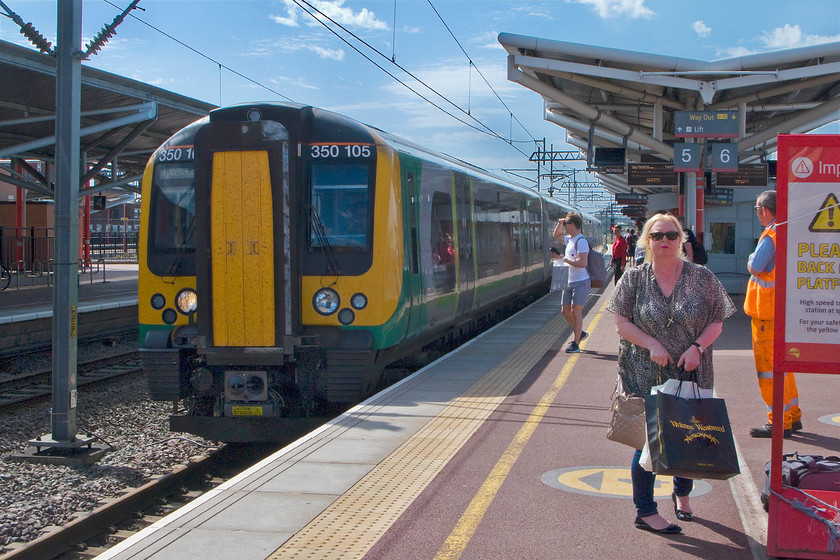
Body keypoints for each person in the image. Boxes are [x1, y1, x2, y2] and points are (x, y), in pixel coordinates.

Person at [607, 212, 735, 535]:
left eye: (671, 235)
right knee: (647, 442)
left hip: (691, 370)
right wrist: (651, 343)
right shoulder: (633, 279)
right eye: (657, 235)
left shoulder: (702, 278)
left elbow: (717, 321)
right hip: (644, 373)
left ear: (681, 241)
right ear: (647, 241)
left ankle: (682, 493)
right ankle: (645, 511)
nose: (664, 241)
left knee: (687, 434)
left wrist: (697, 348)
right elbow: (621, 324)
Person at [745, 190, 802, 438]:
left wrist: (749, 258)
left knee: (768, 370)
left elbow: (756, 266)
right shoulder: (787, 231)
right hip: (780, 311)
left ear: (764, 210)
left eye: (757, 210)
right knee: (784, 367)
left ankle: (778, 421)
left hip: (765, 313)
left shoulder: (771, 235)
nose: (757, 214)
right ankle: (792, 415)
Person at [560, 212, 590, 353]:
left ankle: (576, 343)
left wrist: (564, 259)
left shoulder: (581, 241)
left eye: (566, 225)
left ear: (572, 225)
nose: (565, 227)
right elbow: (556, 236)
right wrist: (560, 223)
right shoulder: (569, 240)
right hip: (568, 280)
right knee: (565, 311)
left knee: (576, 311)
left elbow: (583, 263)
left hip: (580, 281)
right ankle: (581, 333)